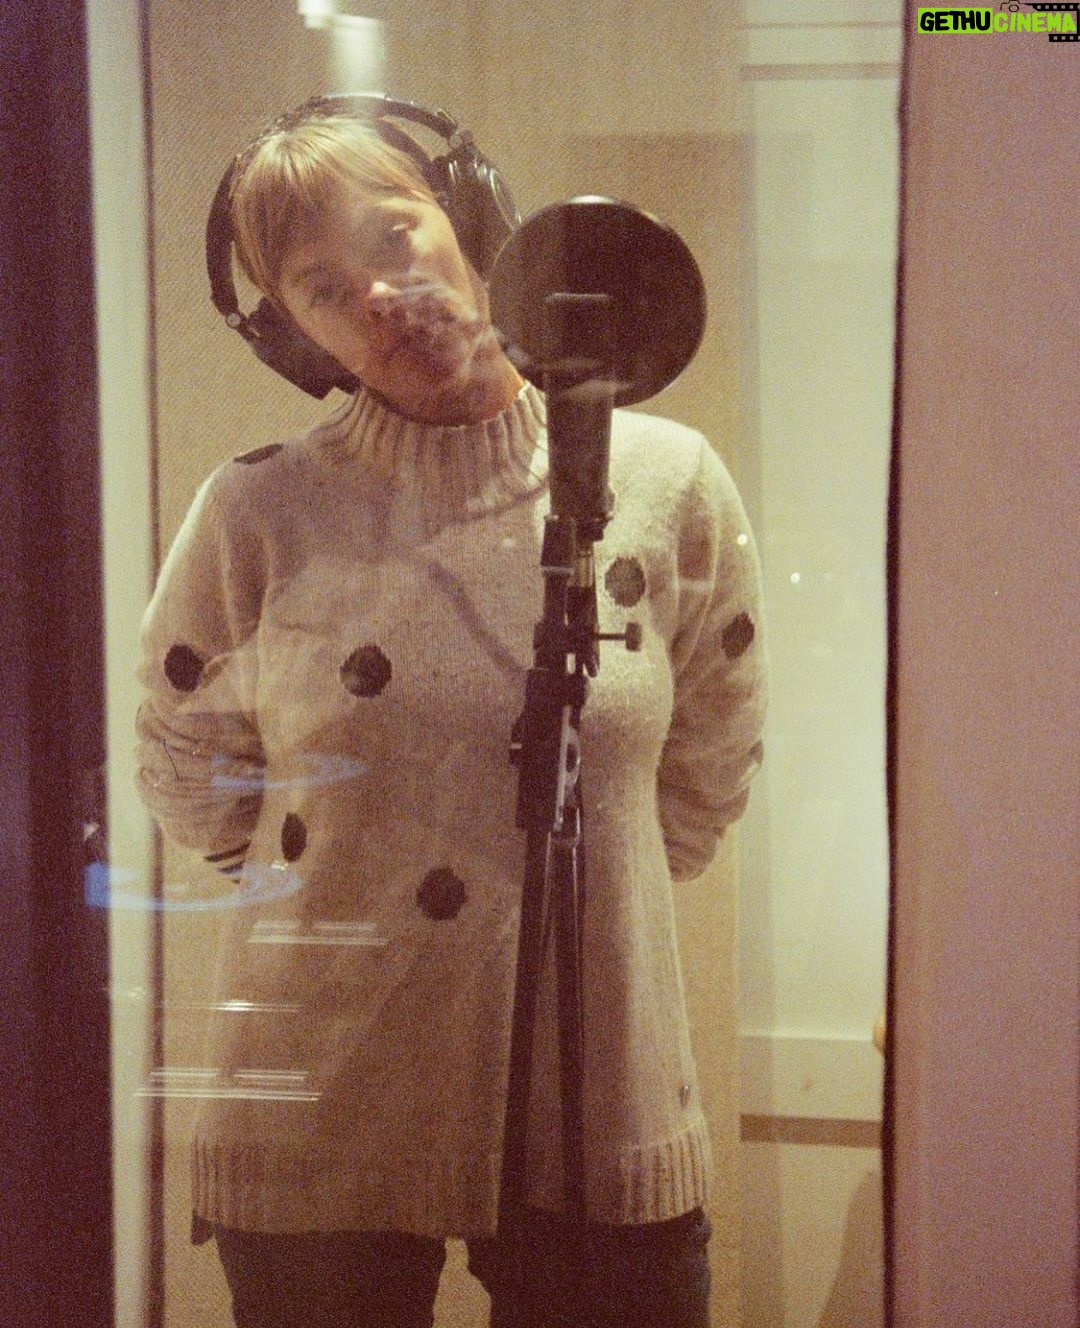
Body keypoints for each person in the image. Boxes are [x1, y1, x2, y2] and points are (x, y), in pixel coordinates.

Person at [136, 98, 767, 1328]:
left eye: (394, 234)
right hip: (326, 1086)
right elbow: (185, 766)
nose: (378, 294)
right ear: (293, 335)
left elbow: (710, 761)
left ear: (472, 222)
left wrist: (600, 891)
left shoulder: (669, 480)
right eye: (322, 287)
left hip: (594, 1080)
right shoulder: (256, 511)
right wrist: (340, 873)